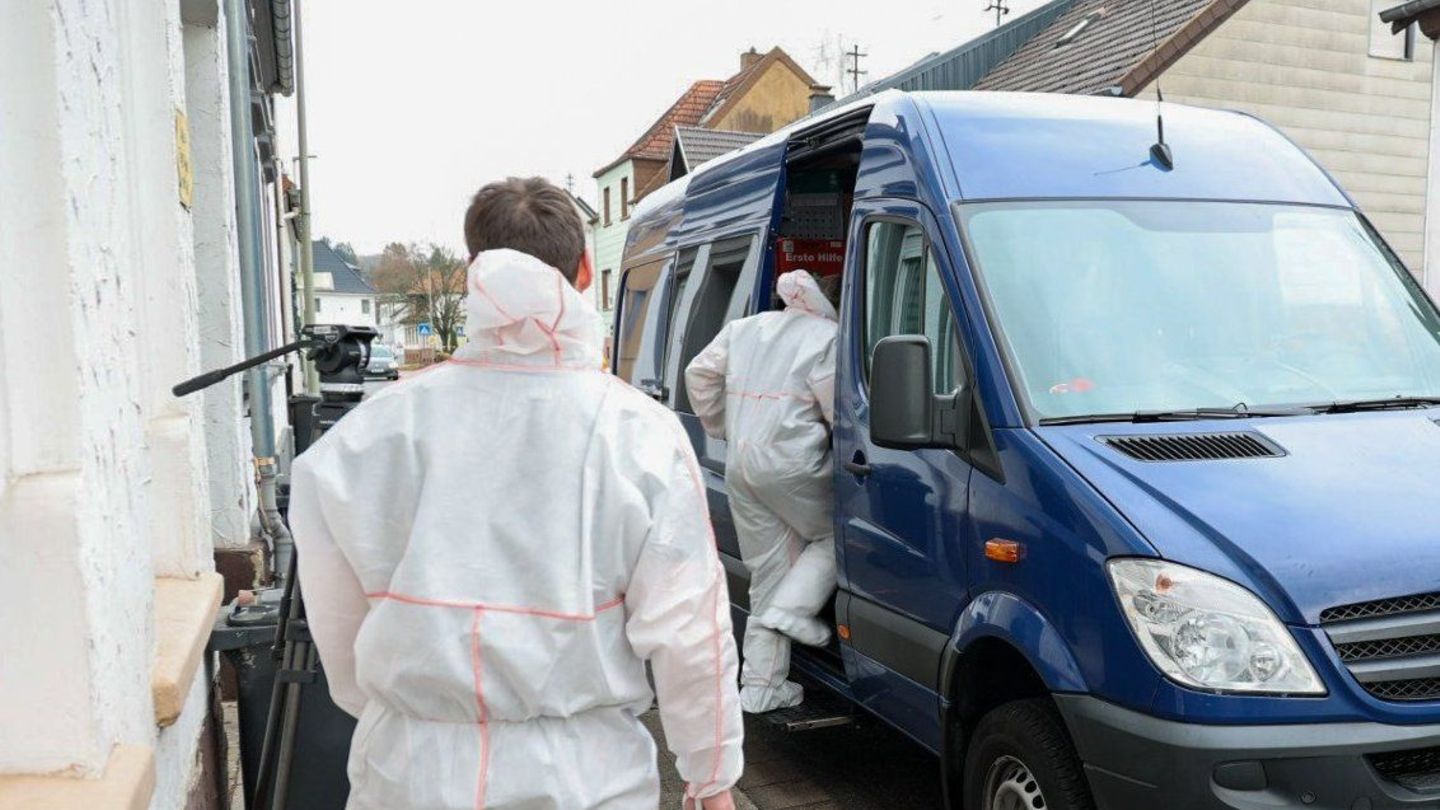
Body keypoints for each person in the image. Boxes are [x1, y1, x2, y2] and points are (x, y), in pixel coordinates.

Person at [288, 177, 743, 809]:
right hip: (582, 778)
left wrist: (414, 711)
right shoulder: (637, 433)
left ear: (475, 273)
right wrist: (710, 774)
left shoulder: (367, 436)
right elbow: (689, 627)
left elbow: (338, 627)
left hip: (411, 772)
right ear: (585, 271)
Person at [684, 270, 840, 714]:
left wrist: (722, 426)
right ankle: (793, 610)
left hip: (742, 463)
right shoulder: (827, 336)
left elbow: (698, 373)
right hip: (793, 464)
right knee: (837, 536)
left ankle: (761, 686)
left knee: (769, 571)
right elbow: (840, 413)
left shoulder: (747, 327)